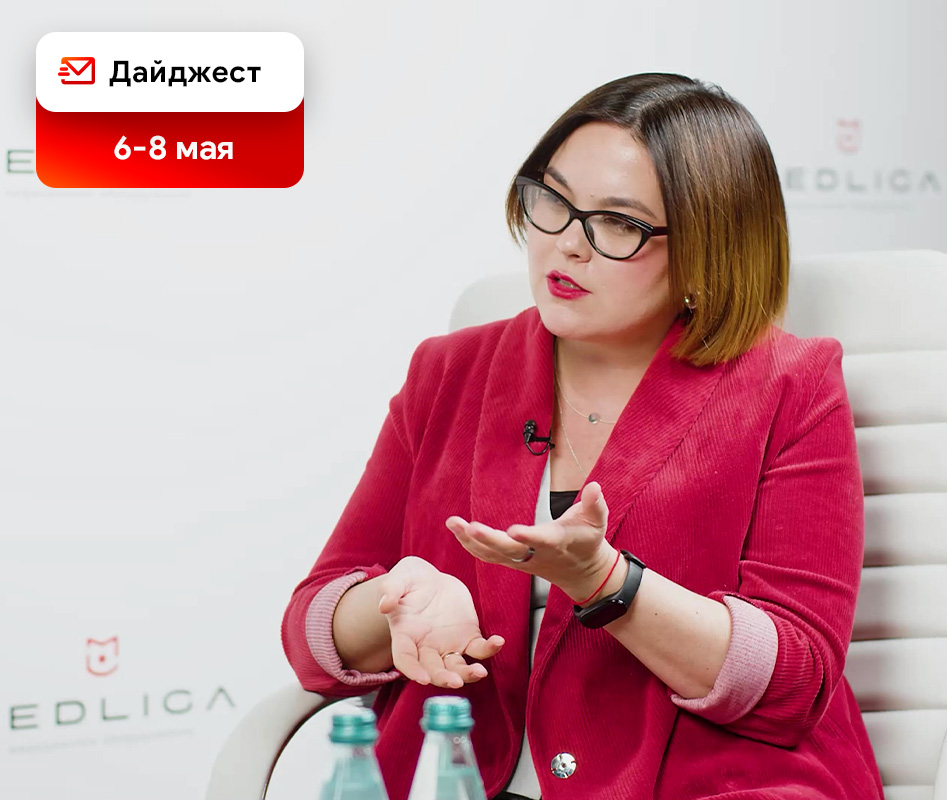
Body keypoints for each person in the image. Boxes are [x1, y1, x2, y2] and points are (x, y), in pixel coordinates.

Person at [282, 72, 885, 800]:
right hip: (459, 776)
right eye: (554, 201)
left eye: (619, 224)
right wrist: (394, 600)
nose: (566, 246)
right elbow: (311, 629)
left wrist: (607, 584)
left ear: (708, 248)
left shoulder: (789, 384)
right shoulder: (449, 371)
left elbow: (796, 679)